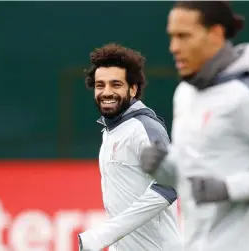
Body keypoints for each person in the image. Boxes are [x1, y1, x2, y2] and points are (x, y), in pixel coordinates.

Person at [140, 2, 249, 251]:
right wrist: (161, 167)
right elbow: (188, 176)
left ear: (215, 34)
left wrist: (229, 188)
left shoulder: (246, 95)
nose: (174, 47)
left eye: (184, 36)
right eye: (171, 37)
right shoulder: (184, 93)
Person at [78, 43, 182, 251]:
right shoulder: (110, 131)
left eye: (116, 85)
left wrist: (103, 235)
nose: (106, 92)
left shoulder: (143, 127)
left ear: (133, 89)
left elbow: (168, 187)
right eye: (100, 85)